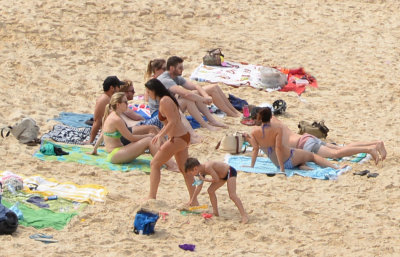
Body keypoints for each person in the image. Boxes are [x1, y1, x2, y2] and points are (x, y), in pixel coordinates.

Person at [91, 92, 177, 170]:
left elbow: (103, 133)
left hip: (115, 153)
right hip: (115, 154)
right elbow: (131, 138)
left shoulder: (111, 115)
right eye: (125, 102)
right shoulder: (116, 119)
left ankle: (169, 162)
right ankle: (170, 165)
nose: (127, 104)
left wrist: (95, 149)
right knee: (149, 140)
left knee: (150, 139)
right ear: (118, 104)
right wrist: (148, 135)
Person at [144, 78, 197, 204]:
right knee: (185, 170)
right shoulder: (166, 99)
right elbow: (171, 121)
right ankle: (194, 200)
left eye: (148, 91)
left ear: (154, 90)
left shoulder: (165, 101)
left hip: (178, 138)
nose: (147, 94)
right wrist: (163, 134)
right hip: (181, 137)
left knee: (154, 164)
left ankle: (151, 197)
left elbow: (173, 121)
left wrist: (160, 135)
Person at [247, 108, 344, 172]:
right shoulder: (276, 129)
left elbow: (255, 150)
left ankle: (302, 165)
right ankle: (336, 168)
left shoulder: (254, 132)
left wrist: (252, 166)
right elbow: (278, 148)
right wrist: (282, 168)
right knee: (312, 156)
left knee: (301, 155)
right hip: (289, 159)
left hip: (277, 163)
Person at [152, 56, 233, 130]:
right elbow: (186, 94)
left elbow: (196, 86)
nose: (182, 69)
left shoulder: (175, 77)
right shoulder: (166, 79)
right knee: (188, 98)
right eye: (180, 68)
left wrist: (206, 96)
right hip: (159, 113)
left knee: (195, 94)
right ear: (172, 68)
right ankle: (206, 125)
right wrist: (203, 99)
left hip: (169, 107)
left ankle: (213, 120)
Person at [269, 115, 386, 165]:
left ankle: (369, 150)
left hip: (305, 145)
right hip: (306, 137)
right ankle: (376, 143)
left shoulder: (268, 129)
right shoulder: (276, 121)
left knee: (336, 154)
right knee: (341, 148)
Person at [184, 157, 249, 224]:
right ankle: (215, 212)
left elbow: (216, 179)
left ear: (195, 168)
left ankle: (244, 215)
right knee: (210, 191)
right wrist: (192, 199)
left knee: (232, 195)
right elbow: (199, 187)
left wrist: (204, 179)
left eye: (191, 173)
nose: (192, 175)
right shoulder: (200, 172)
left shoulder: (207, 167)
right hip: (221, 176)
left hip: (230, 172)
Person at [89, 76, 125, 144]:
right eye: (118, 87)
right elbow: (97, 121)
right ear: (112, 88)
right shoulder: (103, 100)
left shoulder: (109, 99)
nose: (119, 89)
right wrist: (91, 140)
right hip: (113, 134)